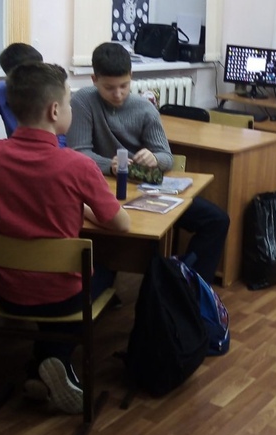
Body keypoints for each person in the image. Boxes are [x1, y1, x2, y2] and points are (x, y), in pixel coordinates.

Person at [0, 61, 130, 413]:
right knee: (107, 266)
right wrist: (83, 210)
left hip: (7, 292)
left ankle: (39, 368)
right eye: (70, 103)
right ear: (55, 110)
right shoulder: (77, 165)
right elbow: (122, 225)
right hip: (63, 298)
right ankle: (54, 359)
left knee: (48, 276)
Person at [67, 42, 229, 284]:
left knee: (217, 220)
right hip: (104, 189)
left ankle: (187, 284)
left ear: (131, 77)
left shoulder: (145, 109)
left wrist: (154, 159)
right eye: (109, 88)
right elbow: (78, 153)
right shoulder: (82, 101)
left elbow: (166, 157)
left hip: (144, 188)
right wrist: (110, 165)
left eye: (124, 86)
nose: (118, 94)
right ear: (94, 80)